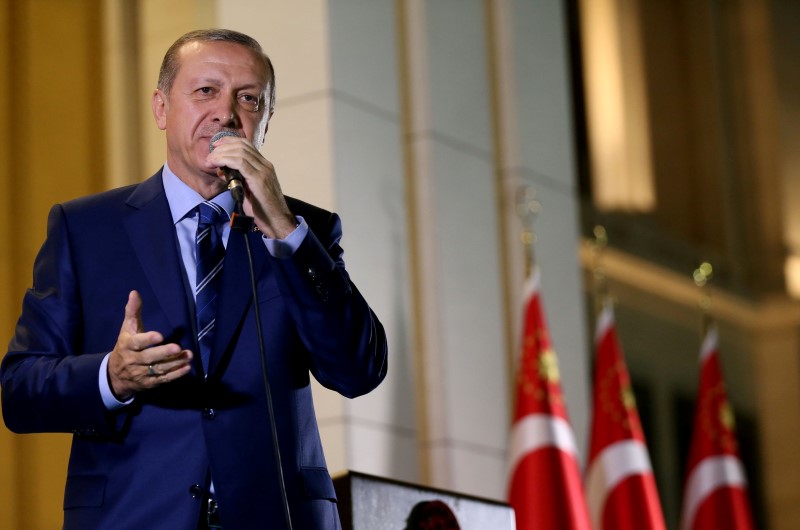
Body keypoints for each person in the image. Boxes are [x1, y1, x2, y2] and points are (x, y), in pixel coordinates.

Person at [0, 28, 387, 529]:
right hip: (133, 515)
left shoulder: (304, 231)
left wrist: (285, 233)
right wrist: (111, 377)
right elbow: (19, 391)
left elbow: (358, 370)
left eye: (249, 99)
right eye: (205, 91)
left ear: (265, 123)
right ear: (161, 108)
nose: (226, 113)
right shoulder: (86, 228)